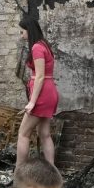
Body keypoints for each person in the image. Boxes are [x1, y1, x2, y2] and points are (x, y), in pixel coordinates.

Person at [16, 18, 59, 166]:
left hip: (42, 95)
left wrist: (32, 102)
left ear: (29, 30)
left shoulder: (36, 47)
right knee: (44, 134)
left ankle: (19, 173)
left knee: (23, 134)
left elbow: (40, 76)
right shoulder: (44, 45)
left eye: (22, 32)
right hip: (49, 93)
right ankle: (51, 171)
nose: (21, 35)